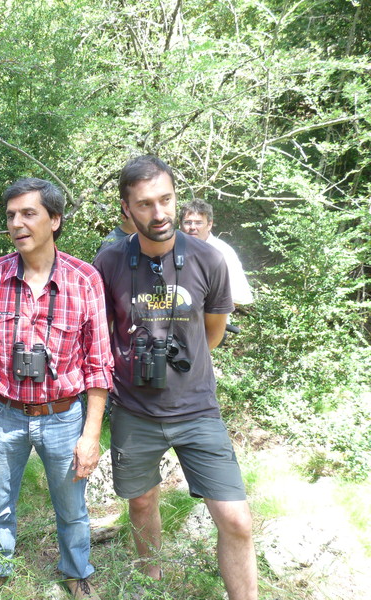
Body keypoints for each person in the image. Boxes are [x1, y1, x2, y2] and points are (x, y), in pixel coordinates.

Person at [92, 156, 258, 600]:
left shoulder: (208, 258)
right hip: (134, 408)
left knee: (237, 520)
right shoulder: (108, 261)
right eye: (145, 204)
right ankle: (152, 587)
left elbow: (214, 334)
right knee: (142, 502)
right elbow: (103, 334)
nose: (159, 213)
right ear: (127, 210)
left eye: (166, 199)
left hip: (198, 408)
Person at [0, 178, 114, 600]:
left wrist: (90, 435)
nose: (17, 223)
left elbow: (99, 365)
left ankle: (76, 572)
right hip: (3, 413)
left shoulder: (85, 280)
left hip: (64, 415)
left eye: (28, 213)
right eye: (11, 215)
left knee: (72, 509)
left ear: (55, 219)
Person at [179, 199, 253, 306]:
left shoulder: (222, 252)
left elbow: (238, 298)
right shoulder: (170, 250)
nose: (192, 227)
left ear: (209, 224)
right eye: (187, 222)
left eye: (198, 223)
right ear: (180, 224)